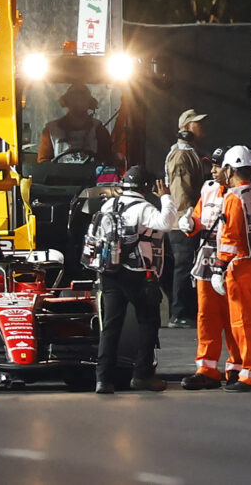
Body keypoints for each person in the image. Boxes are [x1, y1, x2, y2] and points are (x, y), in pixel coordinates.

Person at [94, 165, 176, 394]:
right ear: (147, 187)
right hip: (138, 274)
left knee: (110, 326)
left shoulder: (108, 205)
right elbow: (167, 223)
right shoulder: (144, 208)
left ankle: (103, 379)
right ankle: (142, 375)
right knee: (148, 323)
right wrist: (166, 197)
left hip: (109, 272)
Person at [211, 146, 251, 393]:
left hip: (243, 266)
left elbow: (229, 236)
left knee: (243, 322)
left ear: (230, 170)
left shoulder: (234, 198)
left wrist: (218, 267)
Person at [178, 147, 242, 390]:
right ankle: (207, 369)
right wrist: (189, 224)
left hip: (234, 262)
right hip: (207, 261)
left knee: (234, 317)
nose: (213, 170)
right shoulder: (208, 189)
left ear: (230, 169)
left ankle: (237, 367)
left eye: (217, 166)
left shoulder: (242, 193)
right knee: (206, 316)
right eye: (211, 165)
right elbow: (198, 220)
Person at [164, 108, 208, 328]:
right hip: (183, 220)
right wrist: (188, 214)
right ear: (187, 128)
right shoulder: (181, 155)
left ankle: (185, 311)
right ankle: (179, 313)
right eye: (198, 123)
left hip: (187, 218)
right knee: (183, 265)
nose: (203, 127)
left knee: (188, 264)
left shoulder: (189, 152)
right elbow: (181, 189)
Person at [37, 83, 113, 163]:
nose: (78, 101)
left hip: (91, 176)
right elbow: (43, 163)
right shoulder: (51, 130)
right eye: (74, 97)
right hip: (58, 176)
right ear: (66, 101)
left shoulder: (99, 130)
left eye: (82, 98)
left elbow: (107, 162)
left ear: (90, 103)